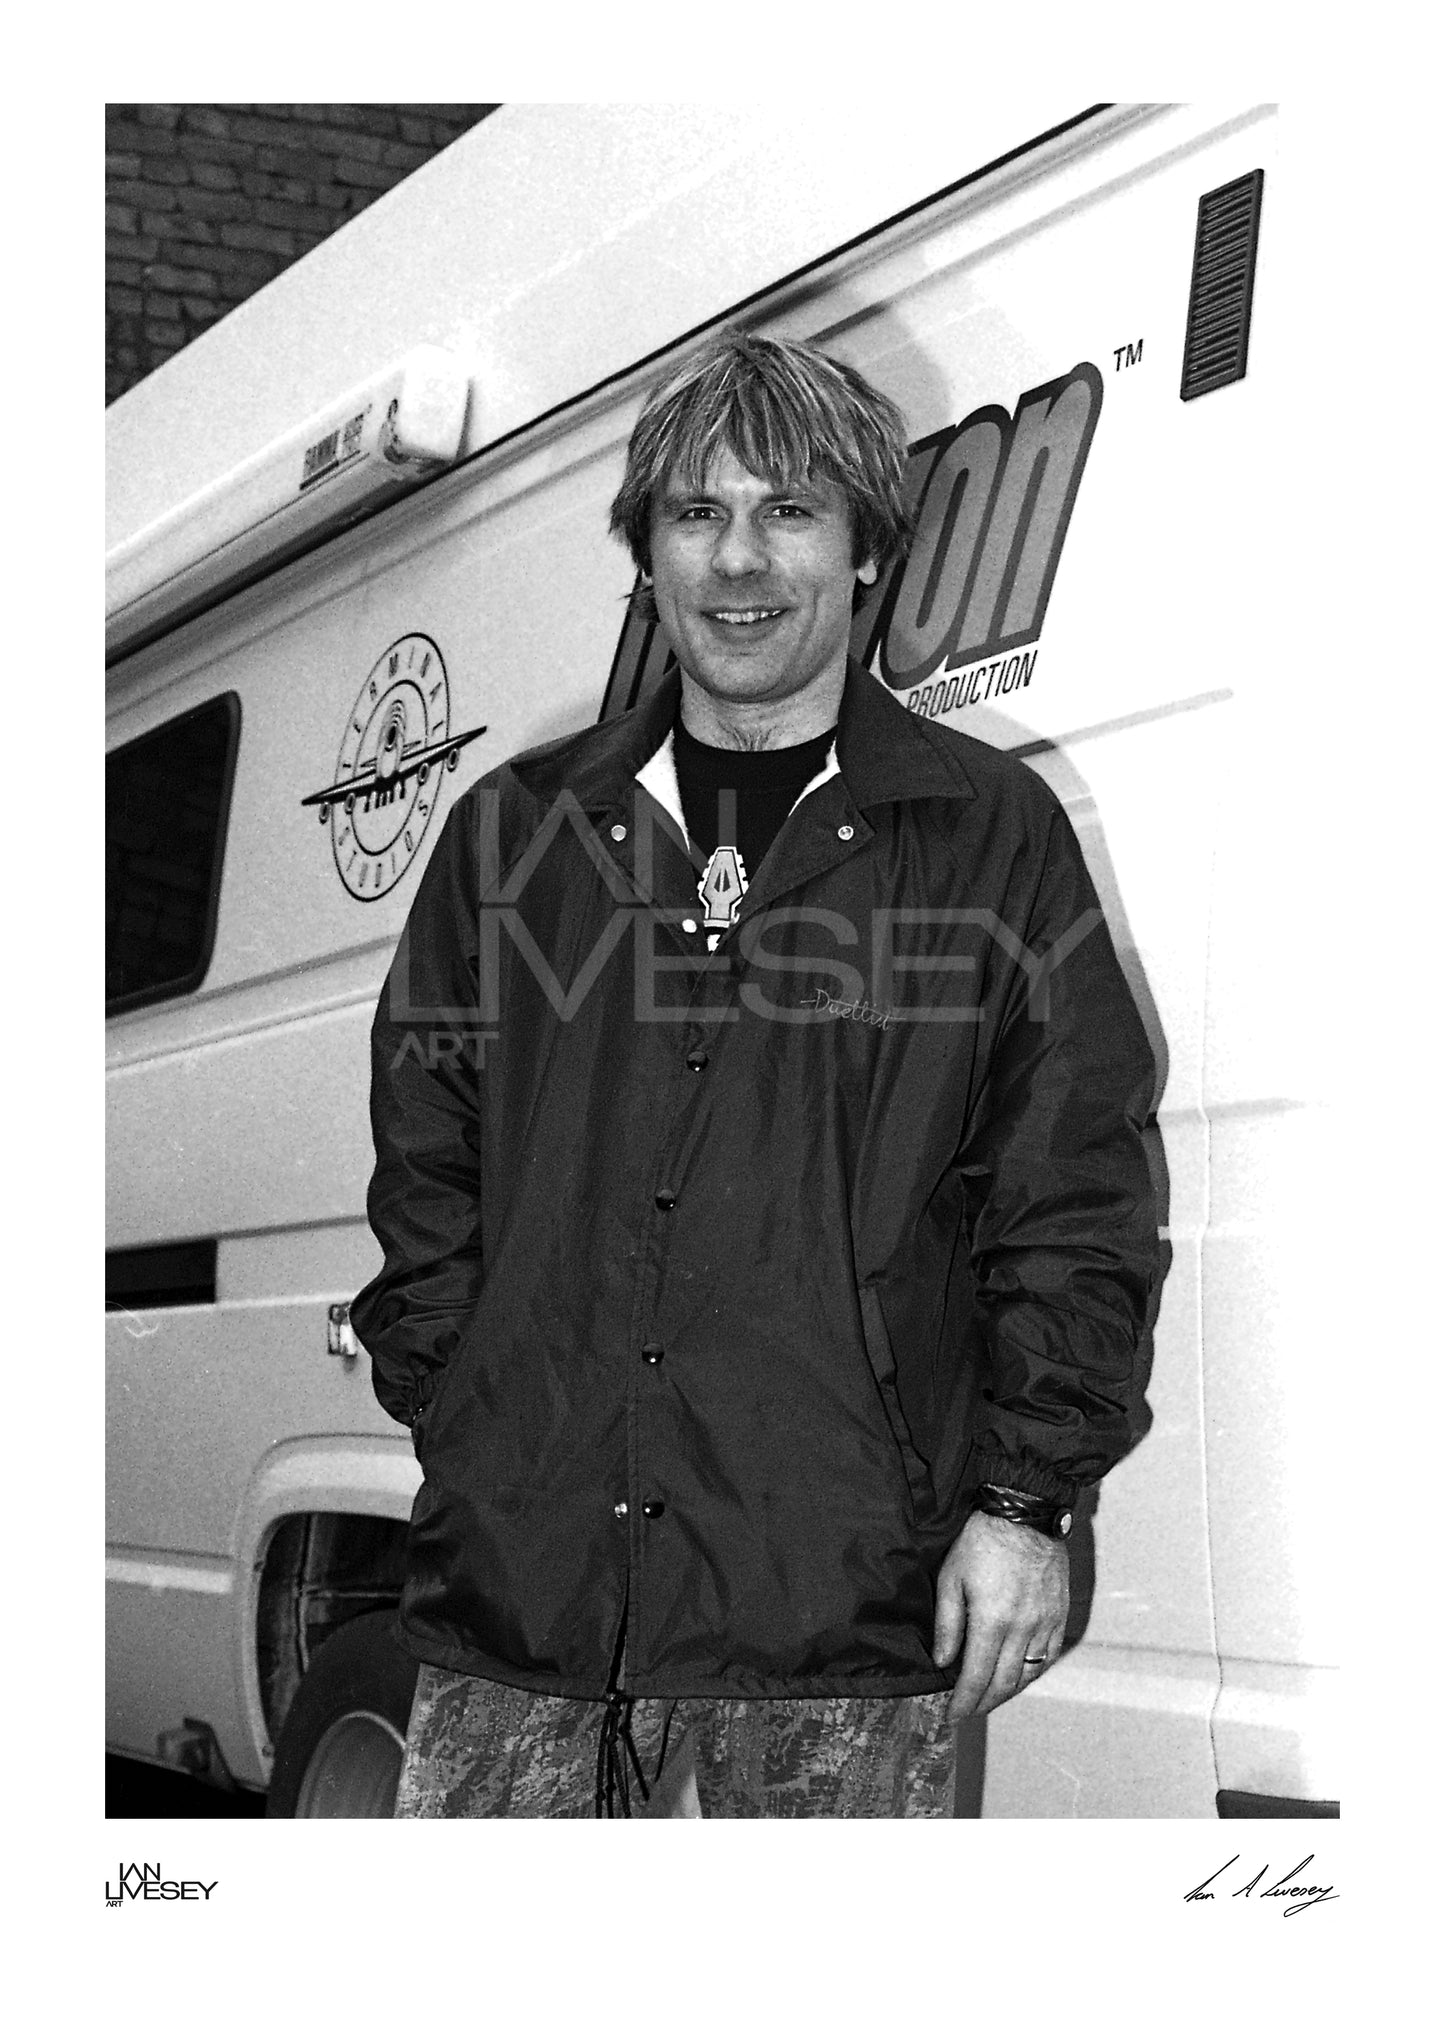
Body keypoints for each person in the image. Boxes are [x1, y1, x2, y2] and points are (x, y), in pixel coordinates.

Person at [349, 330, 1159, 1818]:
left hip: (833, 1618)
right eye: (694, 514)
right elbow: (426, 1154)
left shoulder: (985, 840)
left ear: (863, 555)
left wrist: (1024, 1504)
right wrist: (469, 1400)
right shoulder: (513, 837)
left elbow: (1072, 1195)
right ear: (645, 554)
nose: (737, 560)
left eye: (788, 512)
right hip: (522, 1606)